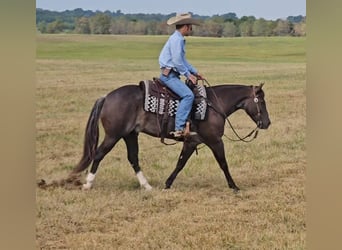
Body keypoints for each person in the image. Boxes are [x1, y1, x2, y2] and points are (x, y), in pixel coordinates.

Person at [159, 13, 204, 138]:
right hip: (169, 76)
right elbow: (177, 61)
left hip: (172, 74)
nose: (191, 29)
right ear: (186, 26)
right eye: (190, 26)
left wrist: (195, 72)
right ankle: (179, 128)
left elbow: (182, 60)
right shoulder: (177, 40)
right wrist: (188, 75)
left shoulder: (178, 39)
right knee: (188, 95)